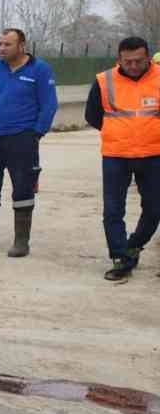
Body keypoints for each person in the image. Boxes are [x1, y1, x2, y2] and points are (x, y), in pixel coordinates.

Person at [0, 29, 57, 257]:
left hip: (21, 139)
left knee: (23, 188)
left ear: (22, 45)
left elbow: (49, 104)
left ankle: (21, 242)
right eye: (0, 44)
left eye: (8, 44)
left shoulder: (39, 69)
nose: (2, 48)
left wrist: (36, 133)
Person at [85, 36, 160, 282]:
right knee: (113, 210)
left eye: (139, 61)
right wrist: (120, 133)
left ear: (148, 57)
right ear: (119, 59)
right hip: (116, 155)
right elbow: (93, 115)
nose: (134, 66)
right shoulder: (104, 80)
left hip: (154, 154)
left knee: (154, 208)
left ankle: (134, 245)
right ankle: (120, 258)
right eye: (128, 62)